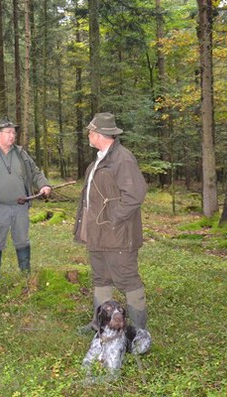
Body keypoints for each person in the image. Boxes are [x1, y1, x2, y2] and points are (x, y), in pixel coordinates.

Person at [73, 112, 148, 332]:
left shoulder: (122, 159)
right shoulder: (100, 158)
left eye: (90, 131)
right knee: (100, 278)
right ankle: (99, 324)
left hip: (118, 235)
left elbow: (135, 194)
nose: (88, 134)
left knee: (127, 279)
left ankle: (138, 331)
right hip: (98, 234)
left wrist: (113, 219)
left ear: (99, 134)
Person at [0, 117, 52, 282]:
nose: (12, 136)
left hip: (20, 206)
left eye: (14, 133)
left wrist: (44, 185)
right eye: (8, 132)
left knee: (22, 240)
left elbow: (35, 171)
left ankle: (25, 275)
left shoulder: (21, 153)